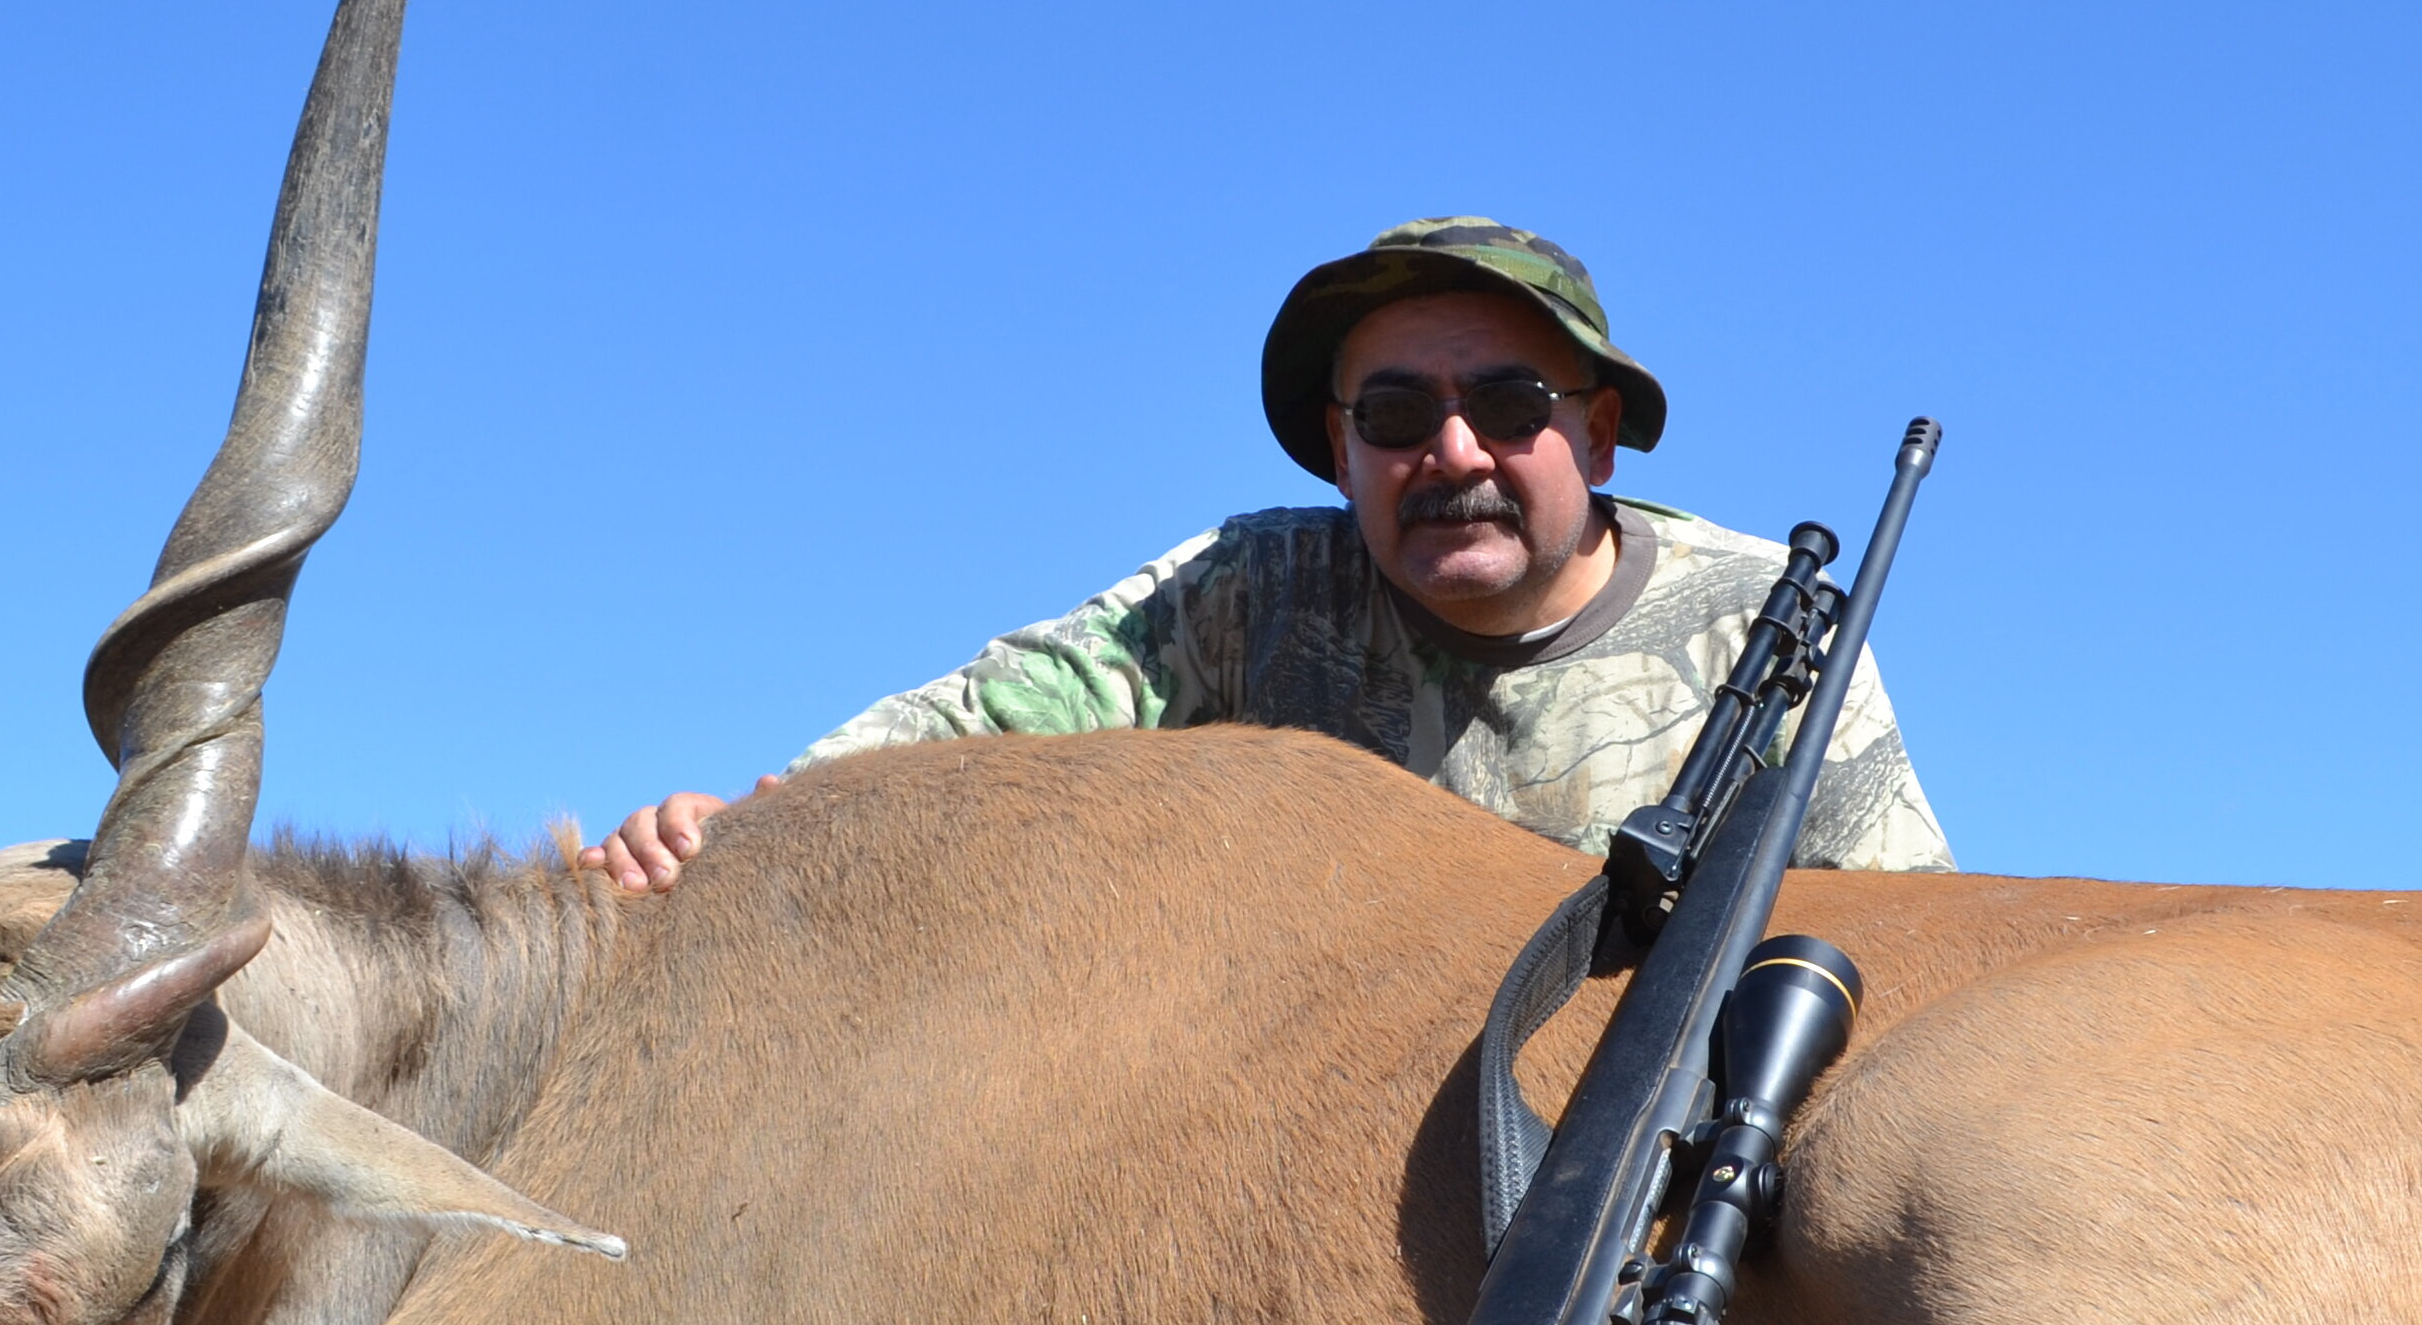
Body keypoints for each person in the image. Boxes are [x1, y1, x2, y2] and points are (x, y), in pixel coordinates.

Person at [584, 220, 1952, 888]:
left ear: (1598, 438)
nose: (1456, 454)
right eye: (1399, 415)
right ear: (1341, 446)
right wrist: (752, 831)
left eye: (1512, 407)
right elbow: (988, 721)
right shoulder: (1251, 593)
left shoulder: (1772, 629)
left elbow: (1903, 943)